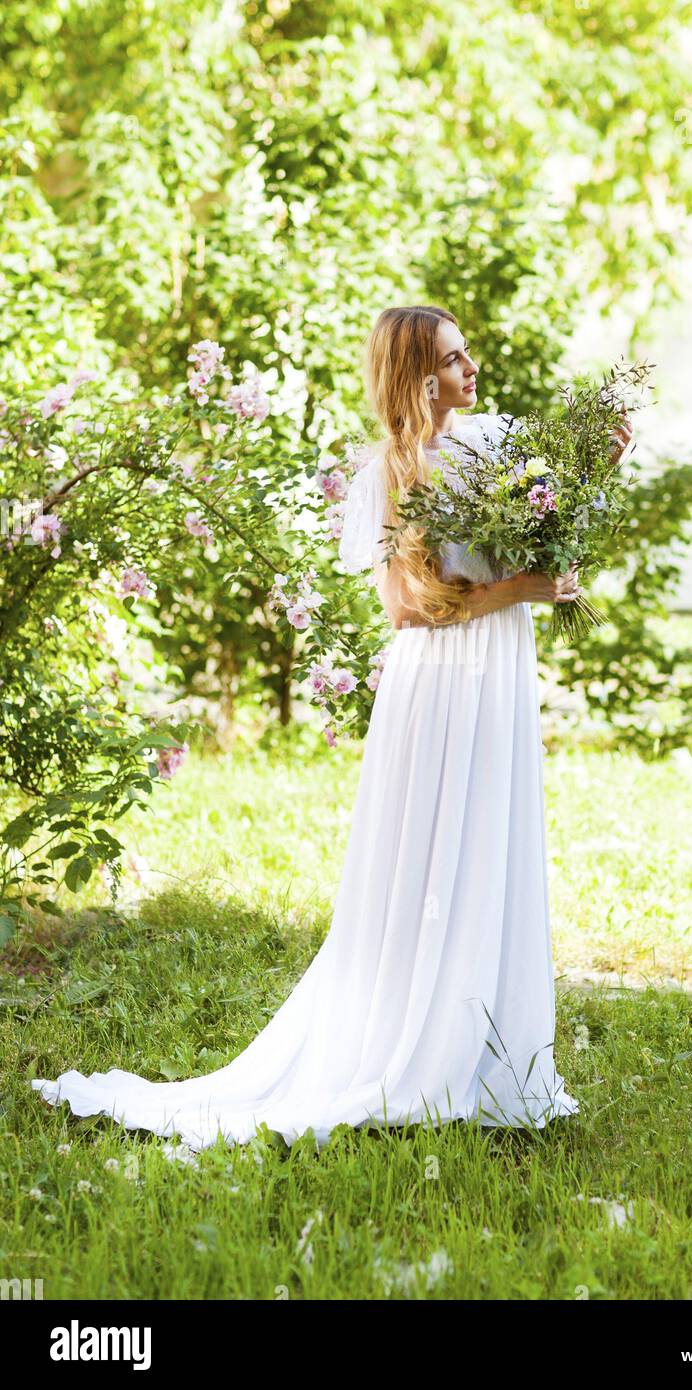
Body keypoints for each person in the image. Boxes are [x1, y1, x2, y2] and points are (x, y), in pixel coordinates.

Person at [30, 305, 632, 1151]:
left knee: (491, 843)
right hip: (441, 683)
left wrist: (596, 465)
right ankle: (411, 1046)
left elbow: (548, 510)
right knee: (431, 852)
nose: (475, 369)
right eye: (457, 360)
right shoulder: (394, 470)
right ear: (421, 376)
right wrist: (514, 593)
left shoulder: (494, 438)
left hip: (498, 675)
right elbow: (406, 606)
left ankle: (486, 1056)